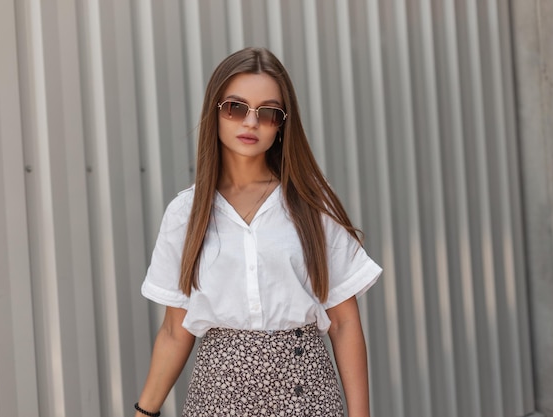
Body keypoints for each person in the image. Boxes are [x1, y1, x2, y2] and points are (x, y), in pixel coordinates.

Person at [135, 47, 382, 417]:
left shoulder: (312, 204)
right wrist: (144, 412)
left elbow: (345, 323)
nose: (250, 122)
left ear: (281, 124)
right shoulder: (185, 214)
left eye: (267, 113)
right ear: (215, 112)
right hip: (216, 401)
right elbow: (174, 330)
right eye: (236, 108)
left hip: (307, 399)